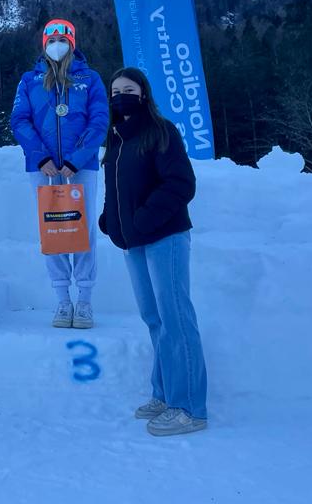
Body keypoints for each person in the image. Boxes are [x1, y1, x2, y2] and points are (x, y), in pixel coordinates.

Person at [99, 67, 208, 437]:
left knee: (176, 318)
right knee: (155, 319)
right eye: (115, 91)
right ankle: (165, 395)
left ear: (143, 94)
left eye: (128, 89)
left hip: (165, 237)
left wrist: (145, 217)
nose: (121, 96)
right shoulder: (116, 138)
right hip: (134, 242)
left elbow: (181, 183)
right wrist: (110, 218)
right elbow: (117, 187)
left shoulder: (162, 132)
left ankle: (189, 408)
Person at [11, 19, 108, 329]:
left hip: (81, 168)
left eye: (62, 39)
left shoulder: (90, 79)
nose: (56, 45)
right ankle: (63, 299)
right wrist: (40, 157)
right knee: (52, 230)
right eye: (51, 40)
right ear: (44, 45)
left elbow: (99, 121)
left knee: (83, 231)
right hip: (43, 169)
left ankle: (85, 300)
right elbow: (20, 120)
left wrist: (77, 160)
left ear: (72, 43)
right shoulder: (29, 80)